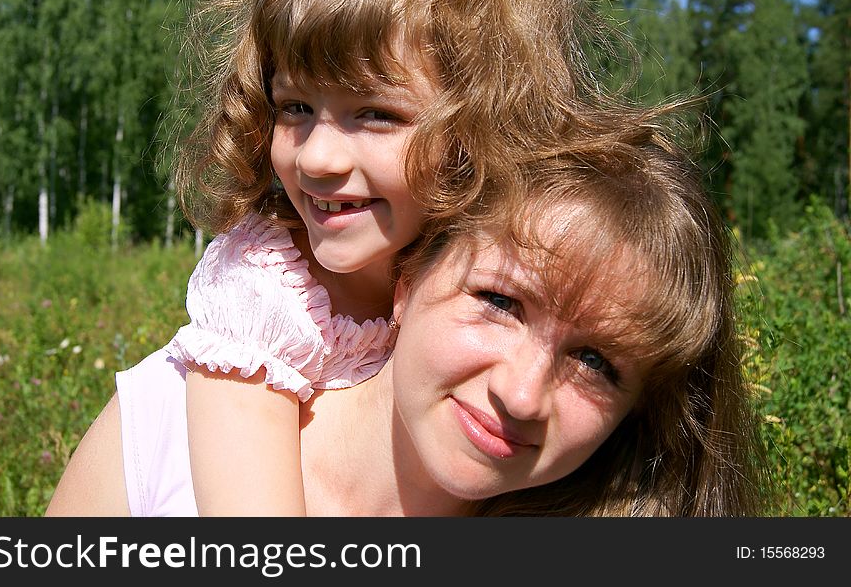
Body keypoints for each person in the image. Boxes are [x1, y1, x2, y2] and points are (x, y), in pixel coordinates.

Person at [46, 0, 590, 516]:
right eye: (295, 108)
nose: (315, 159)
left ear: (473, 128)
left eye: (376, 114)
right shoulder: (263, 293)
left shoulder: (474, 276)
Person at [44, 122, 768, 516]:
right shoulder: (165, 427)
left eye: (597, 362)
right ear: (409, 275)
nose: (520, 394)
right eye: (500, 301)